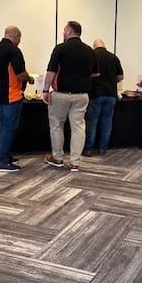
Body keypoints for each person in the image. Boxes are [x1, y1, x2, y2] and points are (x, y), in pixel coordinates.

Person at [42, 21, 99, 172]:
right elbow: (96, 73)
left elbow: (51, 72)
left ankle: (58, 158)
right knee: (78, 127)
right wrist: (82, 75)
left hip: (61, 94)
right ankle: (75, 162)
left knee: (56, 125)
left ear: (68, 31)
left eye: (64, 30)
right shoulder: (89, 50)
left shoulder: (60, 48)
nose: (63, 33)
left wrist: (45, 90)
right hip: (82, 95)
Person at [0, 25, 34, 172]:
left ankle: (3, 155)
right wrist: (30, 78)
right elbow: (20, 73)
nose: (19, 41)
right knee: (8, 127)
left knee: (3, 126)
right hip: (11, 94)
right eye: (19, 38)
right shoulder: (13, 50)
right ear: (15, 35)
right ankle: (1, 161)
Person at [83, 39, 123, 157]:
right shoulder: (113, 57)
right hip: (111, 94)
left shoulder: (92, 55)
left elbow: (87, 74)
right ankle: (102, 148)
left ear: (94, 46)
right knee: (106, 122)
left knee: (92, 122)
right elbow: (120, 76)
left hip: (96, 93)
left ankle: (89, 149)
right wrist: (111, 81)